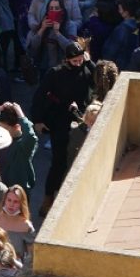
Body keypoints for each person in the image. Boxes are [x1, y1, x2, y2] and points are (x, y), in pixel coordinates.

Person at [31, 43, 93, 216]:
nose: (78, 64)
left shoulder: (86, 70)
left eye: (80, 60)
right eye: (75, 61)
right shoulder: (55, 73)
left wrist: (88, 62)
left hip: (80, 119)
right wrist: (37, 120)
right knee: (59, 161)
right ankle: (49, 197)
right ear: (67, 60)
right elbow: (39, 95)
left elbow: (98, 78)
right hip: (60, 120)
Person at [0, 185, 35, 261]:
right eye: (9, 200)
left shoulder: (26, 225)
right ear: (4, 201)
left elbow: (31, 255)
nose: (11, 204)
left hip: (15, 265)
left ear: (21, 204)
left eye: (16, 202)